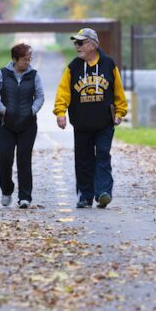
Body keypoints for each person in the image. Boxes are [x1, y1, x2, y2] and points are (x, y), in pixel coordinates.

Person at [54, 28, 128, 209]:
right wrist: (61, 113)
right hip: (82, 124)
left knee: (103, 156)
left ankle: (103, 193)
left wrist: (120, 112)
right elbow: (63, 92)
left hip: (104, 123)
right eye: (75, 43)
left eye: (80, 43)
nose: (76, 46)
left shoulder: (109, 64)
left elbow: (118, 91)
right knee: (83, 160)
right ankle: (85, 196)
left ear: (93, 45)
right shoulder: (73, 67)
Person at [0, 43, 44, 209]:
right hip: (6, 124)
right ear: (14, 59)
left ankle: (25, 197)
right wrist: (3, 109)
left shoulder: (33, 75)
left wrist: (32, 111)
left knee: (24, 159)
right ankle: (7, 190)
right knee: (5, 158)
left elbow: (40, 96)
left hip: (27, 125)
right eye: (24, 60)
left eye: (29, 59)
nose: (27, 62)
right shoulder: (3, 74)